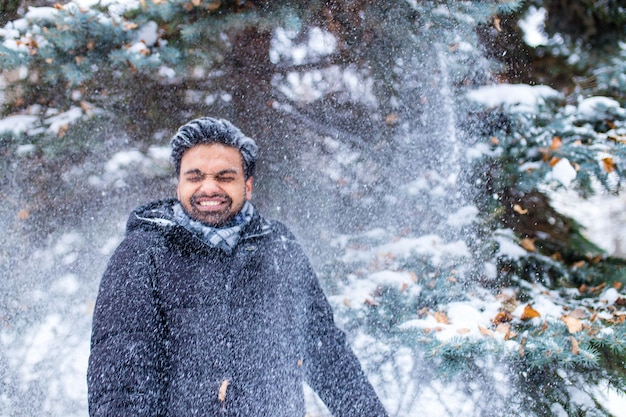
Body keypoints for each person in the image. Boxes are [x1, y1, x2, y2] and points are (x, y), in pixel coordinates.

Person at [87, 117, 388, 417]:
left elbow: (327, 354)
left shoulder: (279, 248)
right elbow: (120, 379)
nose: (208, 187)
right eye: (194, 177)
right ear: (178, 184)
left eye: (224, 177)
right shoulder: (143, 253)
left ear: (247, 185)